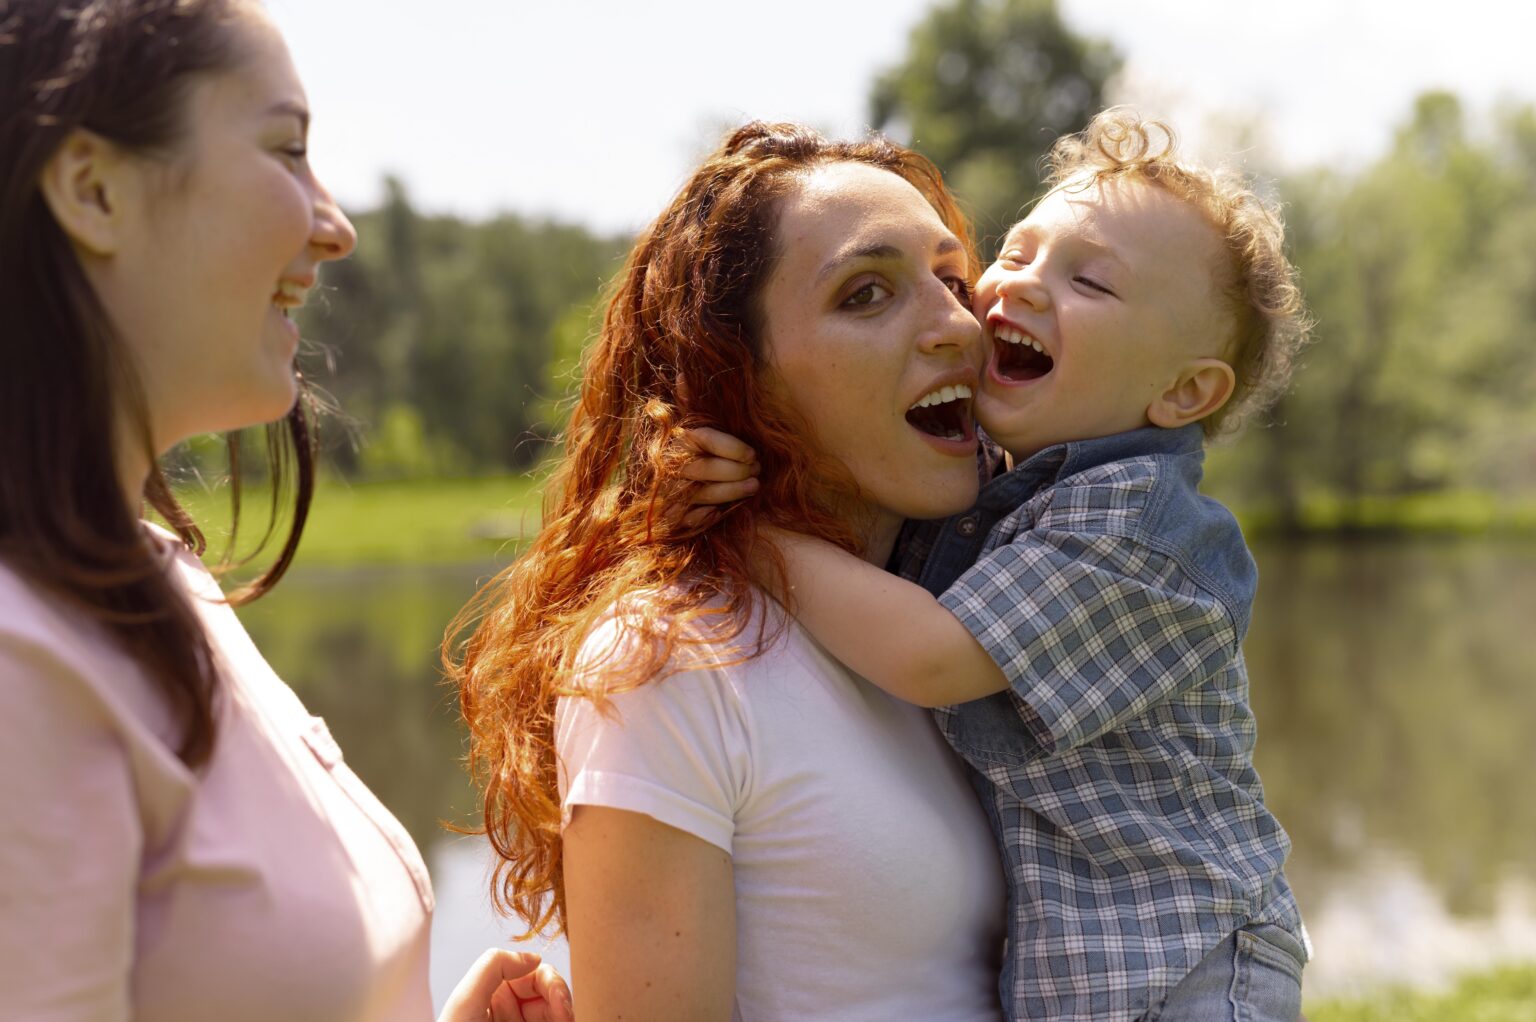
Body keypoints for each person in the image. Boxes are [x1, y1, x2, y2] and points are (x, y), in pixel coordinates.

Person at [0, 2, 571, 1019]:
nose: (335, 223)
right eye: (287, 149)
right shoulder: (20, 655)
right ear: (93, 189)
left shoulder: (154, 572)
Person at [695, 109, 1313, 1021]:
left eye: (1089, 282)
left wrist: (746, 529)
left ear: (1182, 391)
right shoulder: (1001, 486)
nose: (1016, 288)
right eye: (1016, 254)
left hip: (1191, 958)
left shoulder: (1143, 528)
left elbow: (932, 655)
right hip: (1095, 978)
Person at [449, 121, 1008, 1020]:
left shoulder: (963, 616)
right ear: (737, 378)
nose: (956, 327)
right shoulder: (666, 657)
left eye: (952, 280)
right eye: (868, 294)